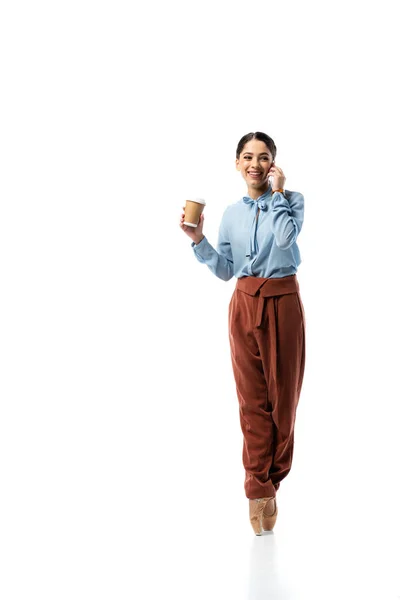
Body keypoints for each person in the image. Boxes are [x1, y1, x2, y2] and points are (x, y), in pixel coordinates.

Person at [179, 131, 306, 536]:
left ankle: (274, 478)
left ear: (274, 164)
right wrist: (199, 241)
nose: (256, 163)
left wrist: (279, 195)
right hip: (243, 304)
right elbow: (224, 268)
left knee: (282, 403)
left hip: (283, 302)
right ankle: (258, 489)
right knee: (252, 402)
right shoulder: (231, 213)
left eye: (264, 157)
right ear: (237, 164)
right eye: (248, 156)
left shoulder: (292, 201)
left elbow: (287, 239)